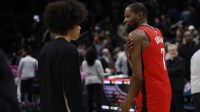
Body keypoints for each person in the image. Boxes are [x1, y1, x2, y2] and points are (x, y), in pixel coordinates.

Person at [119, 2, 171, 112]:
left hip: (150, 93)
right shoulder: (157, 32)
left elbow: (138, 77)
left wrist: (127, 103)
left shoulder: (136, 34)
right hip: (164, 89)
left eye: (128, 16)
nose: (125, 20)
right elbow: (145, 66)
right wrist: (128, 56)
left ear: (139, 15)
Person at [38, 1, 88, 112]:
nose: (79, 28)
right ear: (69, 25)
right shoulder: (70, 50)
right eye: (77, 24)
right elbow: (72, 89)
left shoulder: (44, 49)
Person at [166, 44, 185, 112]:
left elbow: (176, 71)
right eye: (170, 51)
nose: (172, 52)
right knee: (171, 108)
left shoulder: (181, 61)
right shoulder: (167, 61)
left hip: (177, 89)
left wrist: (167, 70)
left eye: (173, 50)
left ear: (176, 51)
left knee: (179, 108)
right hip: (169, 89)